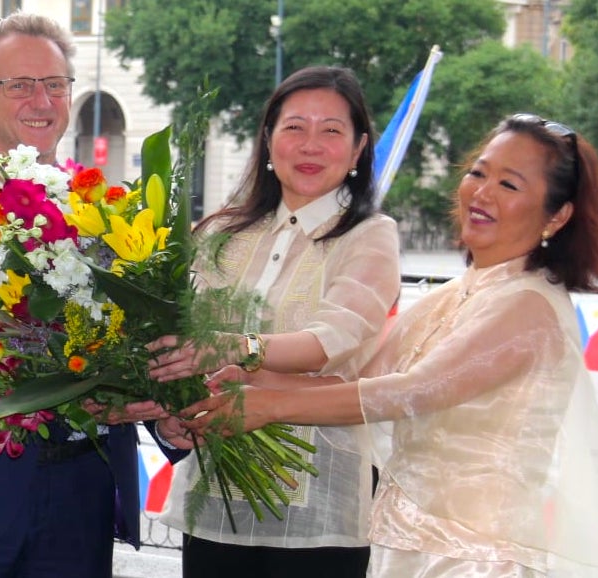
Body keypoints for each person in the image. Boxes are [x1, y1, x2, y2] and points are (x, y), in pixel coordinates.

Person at [179, 113, 598, 577]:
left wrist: (269, 405)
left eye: (509, 185)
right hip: (406, 547)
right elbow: (359, 381)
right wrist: (244, 376)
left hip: (477, 557)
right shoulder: (457, 294)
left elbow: (410, 392)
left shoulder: (530, 305)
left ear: (557, 216)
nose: (482, 193)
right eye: (479, 173)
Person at [0, 12, 185, 578]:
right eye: (20, 84)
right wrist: (92, 397)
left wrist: (168, 414)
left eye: (55, 84)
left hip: (83, 497)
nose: (41, 100)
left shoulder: (111, 211)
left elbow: (138, 336)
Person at [147, 66, 401, 577]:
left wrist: (234, 348)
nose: (311, 144)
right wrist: (170, 414)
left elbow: (334, 340)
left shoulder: (370, 236)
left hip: (320, 503)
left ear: (357, 150)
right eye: (294, 127)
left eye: (331, 130)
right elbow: (173, 338)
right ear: (268, 141)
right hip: (215, 497)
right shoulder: (219, 232)